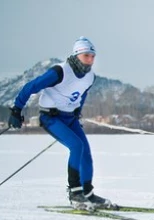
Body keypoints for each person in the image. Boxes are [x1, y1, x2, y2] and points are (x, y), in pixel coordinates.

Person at [8, 36, 117, 210]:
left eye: (93, 56)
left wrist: (77, 111)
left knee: (86, 153)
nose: (90, 60)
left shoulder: (90, 77)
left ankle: (88, 194)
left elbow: (82, 95)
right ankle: (75, 194)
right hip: (51, 117)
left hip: (70, 117)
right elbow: (31, 86)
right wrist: (16, 109)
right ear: (77, 55)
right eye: (86, 56)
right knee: (76, 146)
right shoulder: (60, 72)